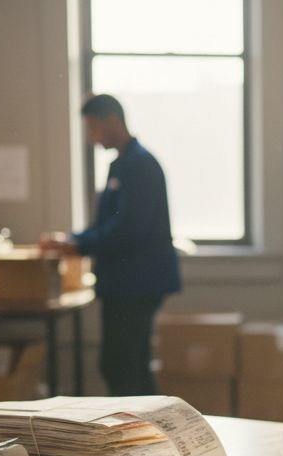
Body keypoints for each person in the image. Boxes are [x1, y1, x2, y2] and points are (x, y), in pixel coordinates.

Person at [40, 94, 181, 396]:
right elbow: (107, 223)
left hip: (136, 284)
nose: (91, 138)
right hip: (125, 284)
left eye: (93, 128)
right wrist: (74, 239)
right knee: (129, 364)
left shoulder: (139, 165)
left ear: (113, 122)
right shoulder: (122, 165)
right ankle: (146, 434)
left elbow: (128, 229)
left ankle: (136, 436)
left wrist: (78, 245)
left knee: (120, 365)